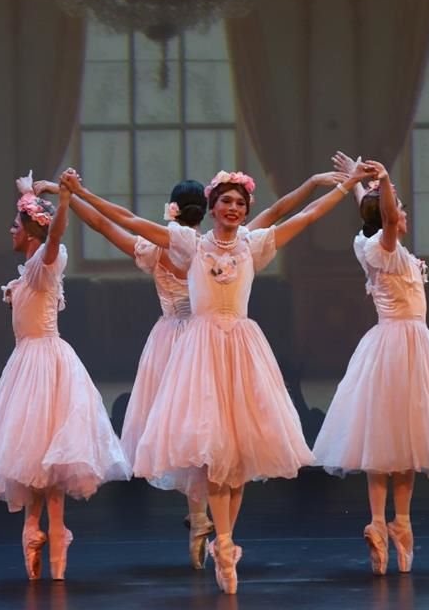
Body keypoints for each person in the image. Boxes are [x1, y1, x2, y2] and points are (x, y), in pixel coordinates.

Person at [60, 160, 377, 593]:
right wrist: (81, 193)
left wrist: (344, 188)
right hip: (201, 348)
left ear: (246, 209)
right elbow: (126, 220)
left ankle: (223, 540)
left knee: (238, 454)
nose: (232, 208)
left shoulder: (253, 243)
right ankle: (223, 545)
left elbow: (301, 216)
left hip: (242, 348)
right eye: (225, 201)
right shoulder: (189, 245)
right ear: (211, 207)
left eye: (239, 202)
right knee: (213, 451)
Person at [0, 172, 130, 581]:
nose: (10, 230)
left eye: (16, 224)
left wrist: (65, 199)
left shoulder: (43, 263)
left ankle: (43, 532)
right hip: (29, 364)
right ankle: (43, 531)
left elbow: (54, 238)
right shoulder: (29, 272)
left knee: (47, 450)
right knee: (36, 453)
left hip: (46, 363)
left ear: (32, 230)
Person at [312, 160, 429, 576]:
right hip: (404, 346)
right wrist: (380, 181)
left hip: (394, 348)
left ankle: (385, 523)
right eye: (398, 208)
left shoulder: (367, 247)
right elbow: (381, 217)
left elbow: (372, 215)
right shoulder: (387, 250)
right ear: (388, 217)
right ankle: (397, 523)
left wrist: (355, 183)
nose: (402, 213)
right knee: (398, 440)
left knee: (388, 443)